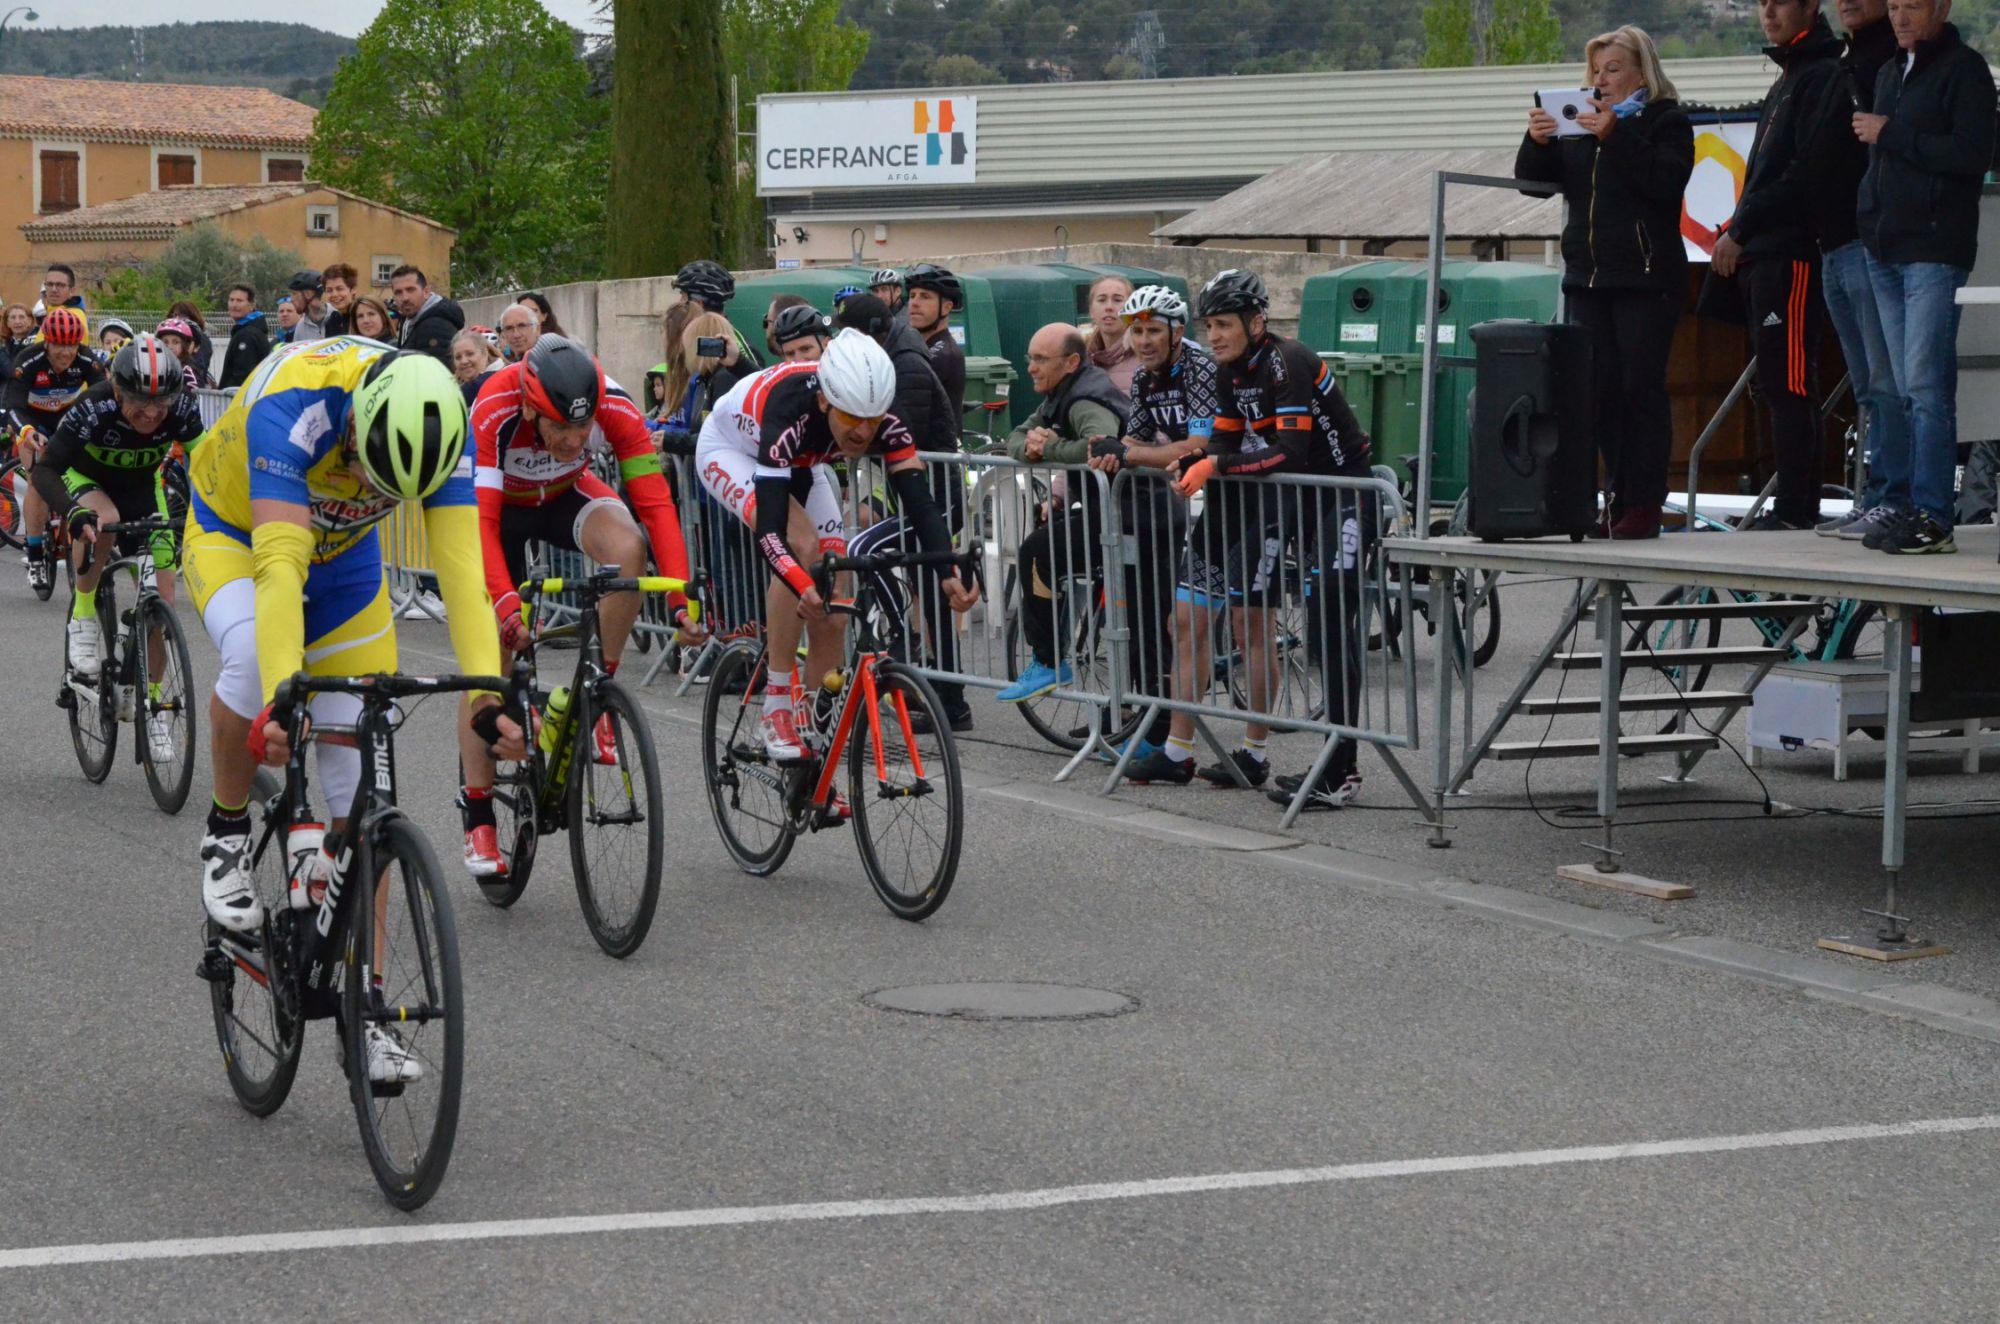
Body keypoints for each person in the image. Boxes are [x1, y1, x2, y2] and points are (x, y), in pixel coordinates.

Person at [184, 337, 524, 1078]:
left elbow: (461, 576)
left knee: (363, 796)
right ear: (356, 421)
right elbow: (279, 569)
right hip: (237, 536)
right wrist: (282, 699)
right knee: (254, 664)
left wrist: (486, 696)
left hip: (344, 566)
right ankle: (227, 832)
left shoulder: (444, 430)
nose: (372, 486)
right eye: (369, 470)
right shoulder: (295, 406)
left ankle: (363, 1009)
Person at [462, 336, 695, 874]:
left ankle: (595, 690)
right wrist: (506, 607)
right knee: (489, 661)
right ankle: (478, 816)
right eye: (560, 429)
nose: (573, 440)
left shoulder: (615, 404)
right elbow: (482, 523)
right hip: (498, 512)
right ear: (530, 409)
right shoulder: (495, 405)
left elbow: (655, 503)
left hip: (566, 494)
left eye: (582, 428)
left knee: (629, 548)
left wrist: (682, 598)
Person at [693, 330, 976, 761]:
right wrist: (798, 581)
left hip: (804, 459)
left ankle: (814, 737)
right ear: (826, 400)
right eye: (851, 418)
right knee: (804, 548)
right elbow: (771, 531)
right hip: (731, 450)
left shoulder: (884, 412)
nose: (863, 432)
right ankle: (777, 703)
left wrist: (946, 571)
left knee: (837, 592)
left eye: (872, 420)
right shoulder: (789, 406)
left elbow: (919, 500)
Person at [1170, 269, 1378, 811]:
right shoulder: (1230, 372)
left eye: (1224, 324)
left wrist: (1215, 465)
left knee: (1328, 631)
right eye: (1208, 326)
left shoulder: (1289, 361)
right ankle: (1318, 760)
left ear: (1256, 321)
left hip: (1344, 497)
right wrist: (1196, 459)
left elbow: (1289, 453)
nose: (1214, 336)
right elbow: (1224, 442)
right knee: (1295, 623)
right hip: (1301, 501)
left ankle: (1343, 768)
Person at [1517, 26, 1693, 540]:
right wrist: (1537, 140)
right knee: (1600, 392)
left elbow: (1665, 182)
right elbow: (1533, 184)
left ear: (1642, 73)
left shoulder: (1667, 121)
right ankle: (1615, 498)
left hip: (1645, 277)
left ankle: (1645, 503)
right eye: (1596, 70)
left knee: (1640, 389)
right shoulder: (1579, 125)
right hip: (1588, 278)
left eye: (1614, 69)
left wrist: (1616, 136)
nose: (1602, 79)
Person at [1852, 0, 1996, 555]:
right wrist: (1868, 215)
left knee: (1926, 386)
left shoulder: (1965, 69)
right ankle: (1912, 508)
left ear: (1942, 7)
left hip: (1933, 249)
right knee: (1902, 389)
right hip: (1884, 248)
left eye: (1912, 5)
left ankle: (1935, 515)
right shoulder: (1891, 71)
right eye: (1893, 6)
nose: (1899, 16)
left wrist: (1892, 134)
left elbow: (1972, 153)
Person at [32, 336, 205, 767]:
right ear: (117, 390)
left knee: (161, 607)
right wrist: (72, 512)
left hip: (143, 490)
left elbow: (208, 464)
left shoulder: (183, 407)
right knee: (102, 520)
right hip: (86, 481)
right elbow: (46, 470)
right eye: (139, 402)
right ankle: (83, 616)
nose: (151, 413)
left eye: (160, 403)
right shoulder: (94, 406)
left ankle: (153, 708)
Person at [1710, 0, 1848, 532]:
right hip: (1763, 252)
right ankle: (1792, 504)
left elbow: (1804, 173)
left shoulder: (1822, 75)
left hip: (1790, 252)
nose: (1768, 11)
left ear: (1811, 7)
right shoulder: (1787, 77)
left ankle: (1795, 508)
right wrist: (1737, 229)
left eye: (1780, 1)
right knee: (1775, 382)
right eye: (1762, 2)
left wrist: (1741, 229)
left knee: (1790, 382)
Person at [1083, 287, 1226, 780]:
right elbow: (1136, 439)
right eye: (1137, 331)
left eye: (1152, 331)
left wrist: (1130, 455)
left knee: (1233, 624)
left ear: (1177, 331)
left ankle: (1249, 749)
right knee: (1176, 622)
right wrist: (1110, 450)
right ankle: (1173, 743)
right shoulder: (1145, 377)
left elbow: (1196, 444)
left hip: (1241, 492)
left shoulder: (1200, 368)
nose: (1142, 341)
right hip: (1201, 497)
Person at [835, 292, 971, 731]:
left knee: (864, 548)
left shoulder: (906, 363)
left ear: (873, 334)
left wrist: (850, 439)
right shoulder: (892, 355)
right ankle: (949, 700)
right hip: (915, 494)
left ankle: (903, 644)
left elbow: (901, 433)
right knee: (932, 599)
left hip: (934, 496)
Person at [993, 322, 1132, 707]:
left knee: (1037, 552)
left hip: (1131, 515)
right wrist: (1034, 448)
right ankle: (1053, 663)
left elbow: (1102, 447)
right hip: (1105, 511)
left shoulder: (1085, 399)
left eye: (1041, 359)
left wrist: (1051, 449)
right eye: (1030, 358)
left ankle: (1048, 661)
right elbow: (1016, 437)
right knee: (1041, 547)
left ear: (1071, 362)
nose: (1031, 368)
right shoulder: (1059, 395)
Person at [1816, 0, 1903, 539]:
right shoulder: (1842, 59)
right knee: (1868, 386)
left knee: (1886, 382)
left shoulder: (1892, 62)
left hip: (1868, 242)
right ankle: (1874, 496)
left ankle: (1893, 498)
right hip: (1832, 242)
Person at [8, 306, 107, 593]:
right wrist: (26, 431)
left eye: (71, 345)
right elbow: (13, 406)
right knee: (38, 480)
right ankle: (35, 554)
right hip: (33, 421)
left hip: (67, 420)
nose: (65, 353)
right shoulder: (29, 360)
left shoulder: (87, 359)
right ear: (47, 342)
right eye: (59, 346)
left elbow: (105, 395)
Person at [903, 263, 967, 421]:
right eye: (912, 295)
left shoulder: (944, 355)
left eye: (925, 297)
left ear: (946, 308)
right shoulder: (922, 347)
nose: (914, 303)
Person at [673, 260, 762, 368]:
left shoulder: (729, 348)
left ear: (698, 303)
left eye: (683, 297)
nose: (679, 302)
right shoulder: (699, 340)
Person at [389, 265, 465, 365]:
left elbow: (439, 369)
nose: (405, 298)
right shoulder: (410, 319)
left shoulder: (435, 326)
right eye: (398, 292)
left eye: (411, 290)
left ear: (426, 292)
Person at [1081, 274, 1139, 395]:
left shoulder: (1146, 357)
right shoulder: (1081, 361)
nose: (1109, 307)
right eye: (1102, 300)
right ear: (1091, 310)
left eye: (1117, 300)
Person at [216, 284, 270, 391]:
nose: (234, 304)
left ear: (251, 306)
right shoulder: (244, 330)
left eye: (239, 301)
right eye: (231, 300)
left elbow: (242, 376)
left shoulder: (248, 335)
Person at [154, 317, 206, 394]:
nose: (170, 347)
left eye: (176, 342)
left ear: (185, 345)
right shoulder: (155, 367)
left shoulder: (187, 371)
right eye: (165, 342)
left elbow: (196, 396)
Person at [166, 300, 214, 385]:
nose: (177, 319)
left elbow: (200, 368)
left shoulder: (201, 339)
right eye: (174, 315)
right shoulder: (167, 337)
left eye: (182, 316)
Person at [450, 328, 498, 405]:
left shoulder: (499, 379)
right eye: (458, 357)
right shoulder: (452, 387)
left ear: (484, 354)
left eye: (470, 354)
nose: (464, 361)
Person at [288, 270, 330, 343]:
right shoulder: (301, 327)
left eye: (294, 294)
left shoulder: (336, 316)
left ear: (308, 294)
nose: (291, 300)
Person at [321, 262, 359, 339]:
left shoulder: (362, 316)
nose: (334, 294)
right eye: (329, 290)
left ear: (353, 290)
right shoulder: (332, 322)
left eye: (340, 289)